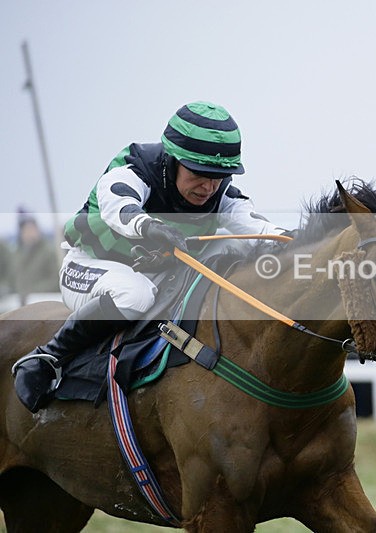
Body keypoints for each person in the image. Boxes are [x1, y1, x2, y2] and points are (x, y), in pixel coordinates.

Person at [13, 101, 280, 413]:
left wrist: (302, 241)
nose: (208, 186)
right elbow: (120, 207)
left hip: (154, 274)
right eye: (198, 173)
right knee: (134, 295)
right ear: (172, 159)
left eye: (219, 175)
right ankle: (48, 357)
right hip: (88, 267)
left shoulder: (223, 195)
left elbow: (260, 230)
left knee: (231, 247)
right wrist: (150, 227)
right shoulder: (132, 170)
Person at [12, 208, 60, 305]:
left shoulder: (48, 252)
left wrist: (32, 291)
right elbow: (13, 278)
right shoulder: (16, 254)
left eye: (32, 229)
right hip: (19, 303)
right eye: (26, 230)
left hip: (43, 302)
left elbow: (56, 280)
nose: (30, 233)